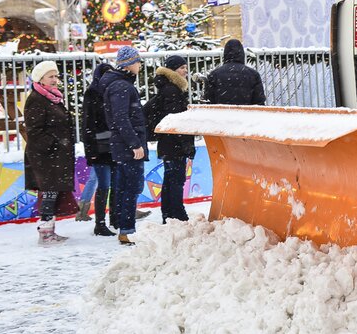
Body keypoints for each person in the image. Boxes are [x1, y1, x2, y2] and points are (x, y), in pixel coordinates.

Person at [24, 60, 78, 245]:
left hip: (55, 156)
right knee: (49, 193)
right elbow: (34, 130)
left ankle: (49, 230)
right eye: (50, 76)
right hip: (45, 157)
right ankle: (46, 232)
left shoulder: (52, 97)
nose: (55, 79)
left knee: (52, 193)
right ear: (40, 78)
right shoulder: (36, 99)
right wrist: (56, 144)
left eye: (56, 76)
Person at [98, 46, 148, 246]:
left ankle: (123, 227)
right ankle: (127, 230)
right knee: (131, 188)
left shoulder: (121, 84)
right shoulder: (121, 86)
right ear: (128, 64)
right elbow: (121, 118)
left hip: (123, 145)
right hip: (127, 146)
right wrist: (135, 144)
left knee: (124, 187)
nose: (140, 64)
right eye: (137, 61)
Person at [152, 55, 195, 223]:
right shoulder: (172, 90)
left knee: (170, 179)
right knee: (176, 180)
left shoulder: (169, 88)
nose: (185, 71)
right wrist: (185, 144)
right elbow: (176, 120)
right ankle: (177, 214)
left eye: (186, 67)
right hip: (174, 143)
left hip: (169, 142)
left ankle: (169, 213)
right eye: (182, 68)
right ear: (173, 70)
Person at [79, 62, 116, 236]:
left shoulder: (114, 92)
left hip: (115, 146)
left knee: (116, 185)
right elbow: (87, 124)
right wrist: (91, 151)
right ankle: (99, 223)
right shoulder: (92, 93)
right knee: (104, 185)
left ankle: (115, 218)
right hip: (100, 149)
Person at [204, 39, 266, 105]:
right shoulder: (253, 74)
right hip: (246, 111)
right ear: (242, 54)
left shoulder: (214, 74)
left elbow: (209, 100)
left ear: (225, 54)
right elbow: (259, 101)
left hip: (222, 111)